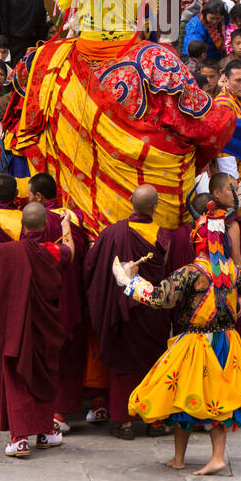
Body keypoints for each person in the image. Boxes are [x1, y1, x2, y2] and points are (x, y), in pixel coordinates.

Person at [117, 189, 241, 474]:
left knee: (194, 397)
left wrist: (129, 280)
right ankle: (179, 457)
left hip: (196, 344)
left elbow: (158, 298)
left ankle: (216, 458)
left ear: (196, 241)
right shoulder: (235, 272)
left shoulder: (190, 272)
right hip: (226, 341)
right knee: (206, 398)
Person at [83, 185, 180, 440]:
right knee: (152, 364)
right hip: (152, 311)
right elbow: (168, 275)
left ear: (130, 202)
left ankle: (124, 423)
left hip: (120, 310)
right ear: (155, 206)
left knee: (123, 366)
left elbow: (91, 267)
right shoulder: (164, 236)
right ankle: (154, 421)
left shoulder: (111, 233)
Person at [0, 200, 73, 458]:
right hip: (45, 327)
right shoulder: (53, 251)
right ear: (47, 226)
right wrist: (66, 224)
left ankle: (20, 439)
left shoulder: (9, 252)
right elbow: (71, 250)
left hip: (17, 327)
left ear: (22, 224)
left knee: (17, 380)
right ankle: (45, 433)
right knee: (44, 377)